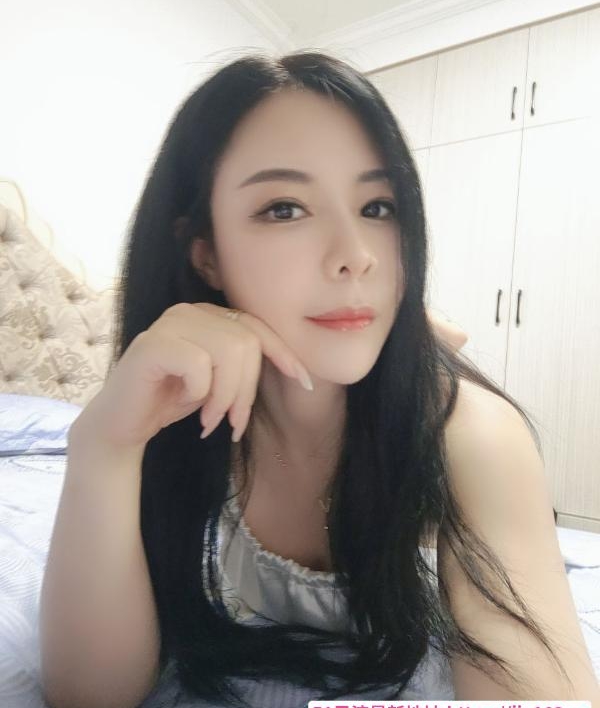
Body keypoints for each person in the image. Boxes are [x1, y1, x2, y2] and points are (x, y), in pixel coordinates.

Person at [40, 51, 599, 708]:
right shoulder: (175, 413)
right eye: (284, 209)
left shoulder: (470, 434)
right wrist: (104, 444)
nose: (356, 256)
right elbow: (90, 696)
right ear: (207, 253)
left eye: (378, 206)